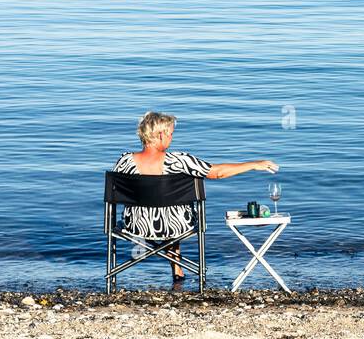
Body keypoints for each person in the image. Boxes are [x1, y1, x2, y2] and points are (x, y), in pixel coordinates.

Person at [113, 111, 278, 284]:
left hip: (136, 227)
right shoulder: (179, 160)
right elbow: (217, 173)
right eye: (170, 134)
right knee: (172, 211)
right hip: (175, 227)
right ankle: (178, 268)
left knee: (165, 207)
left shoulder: (124, 161)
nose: (171, 138)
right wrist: (253, 165)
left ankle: (173, 269)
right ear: (160, 135)